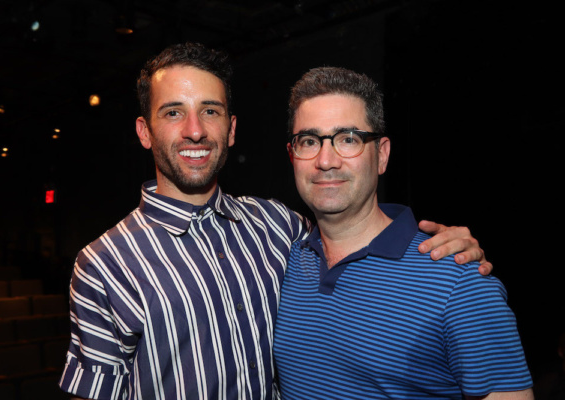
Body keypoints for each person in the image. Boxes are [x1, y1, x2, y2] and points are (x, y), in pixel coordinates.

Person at [59, 43, 489, 399]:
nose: (194, 130)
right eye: (173, 112)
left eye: (210, 111)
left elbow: (353, 230)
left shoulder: (278, 224)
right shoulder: (102, 264)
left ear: (230, 129)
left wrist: (439, 248)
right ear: (144, 131)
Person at [273, 66, 533, 399]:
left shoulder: (459, 279)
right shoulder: (284, 262)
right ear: (292, 155)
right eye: (309, 141)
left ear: (381, 155)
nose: (326, 160)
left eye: (348, 139)